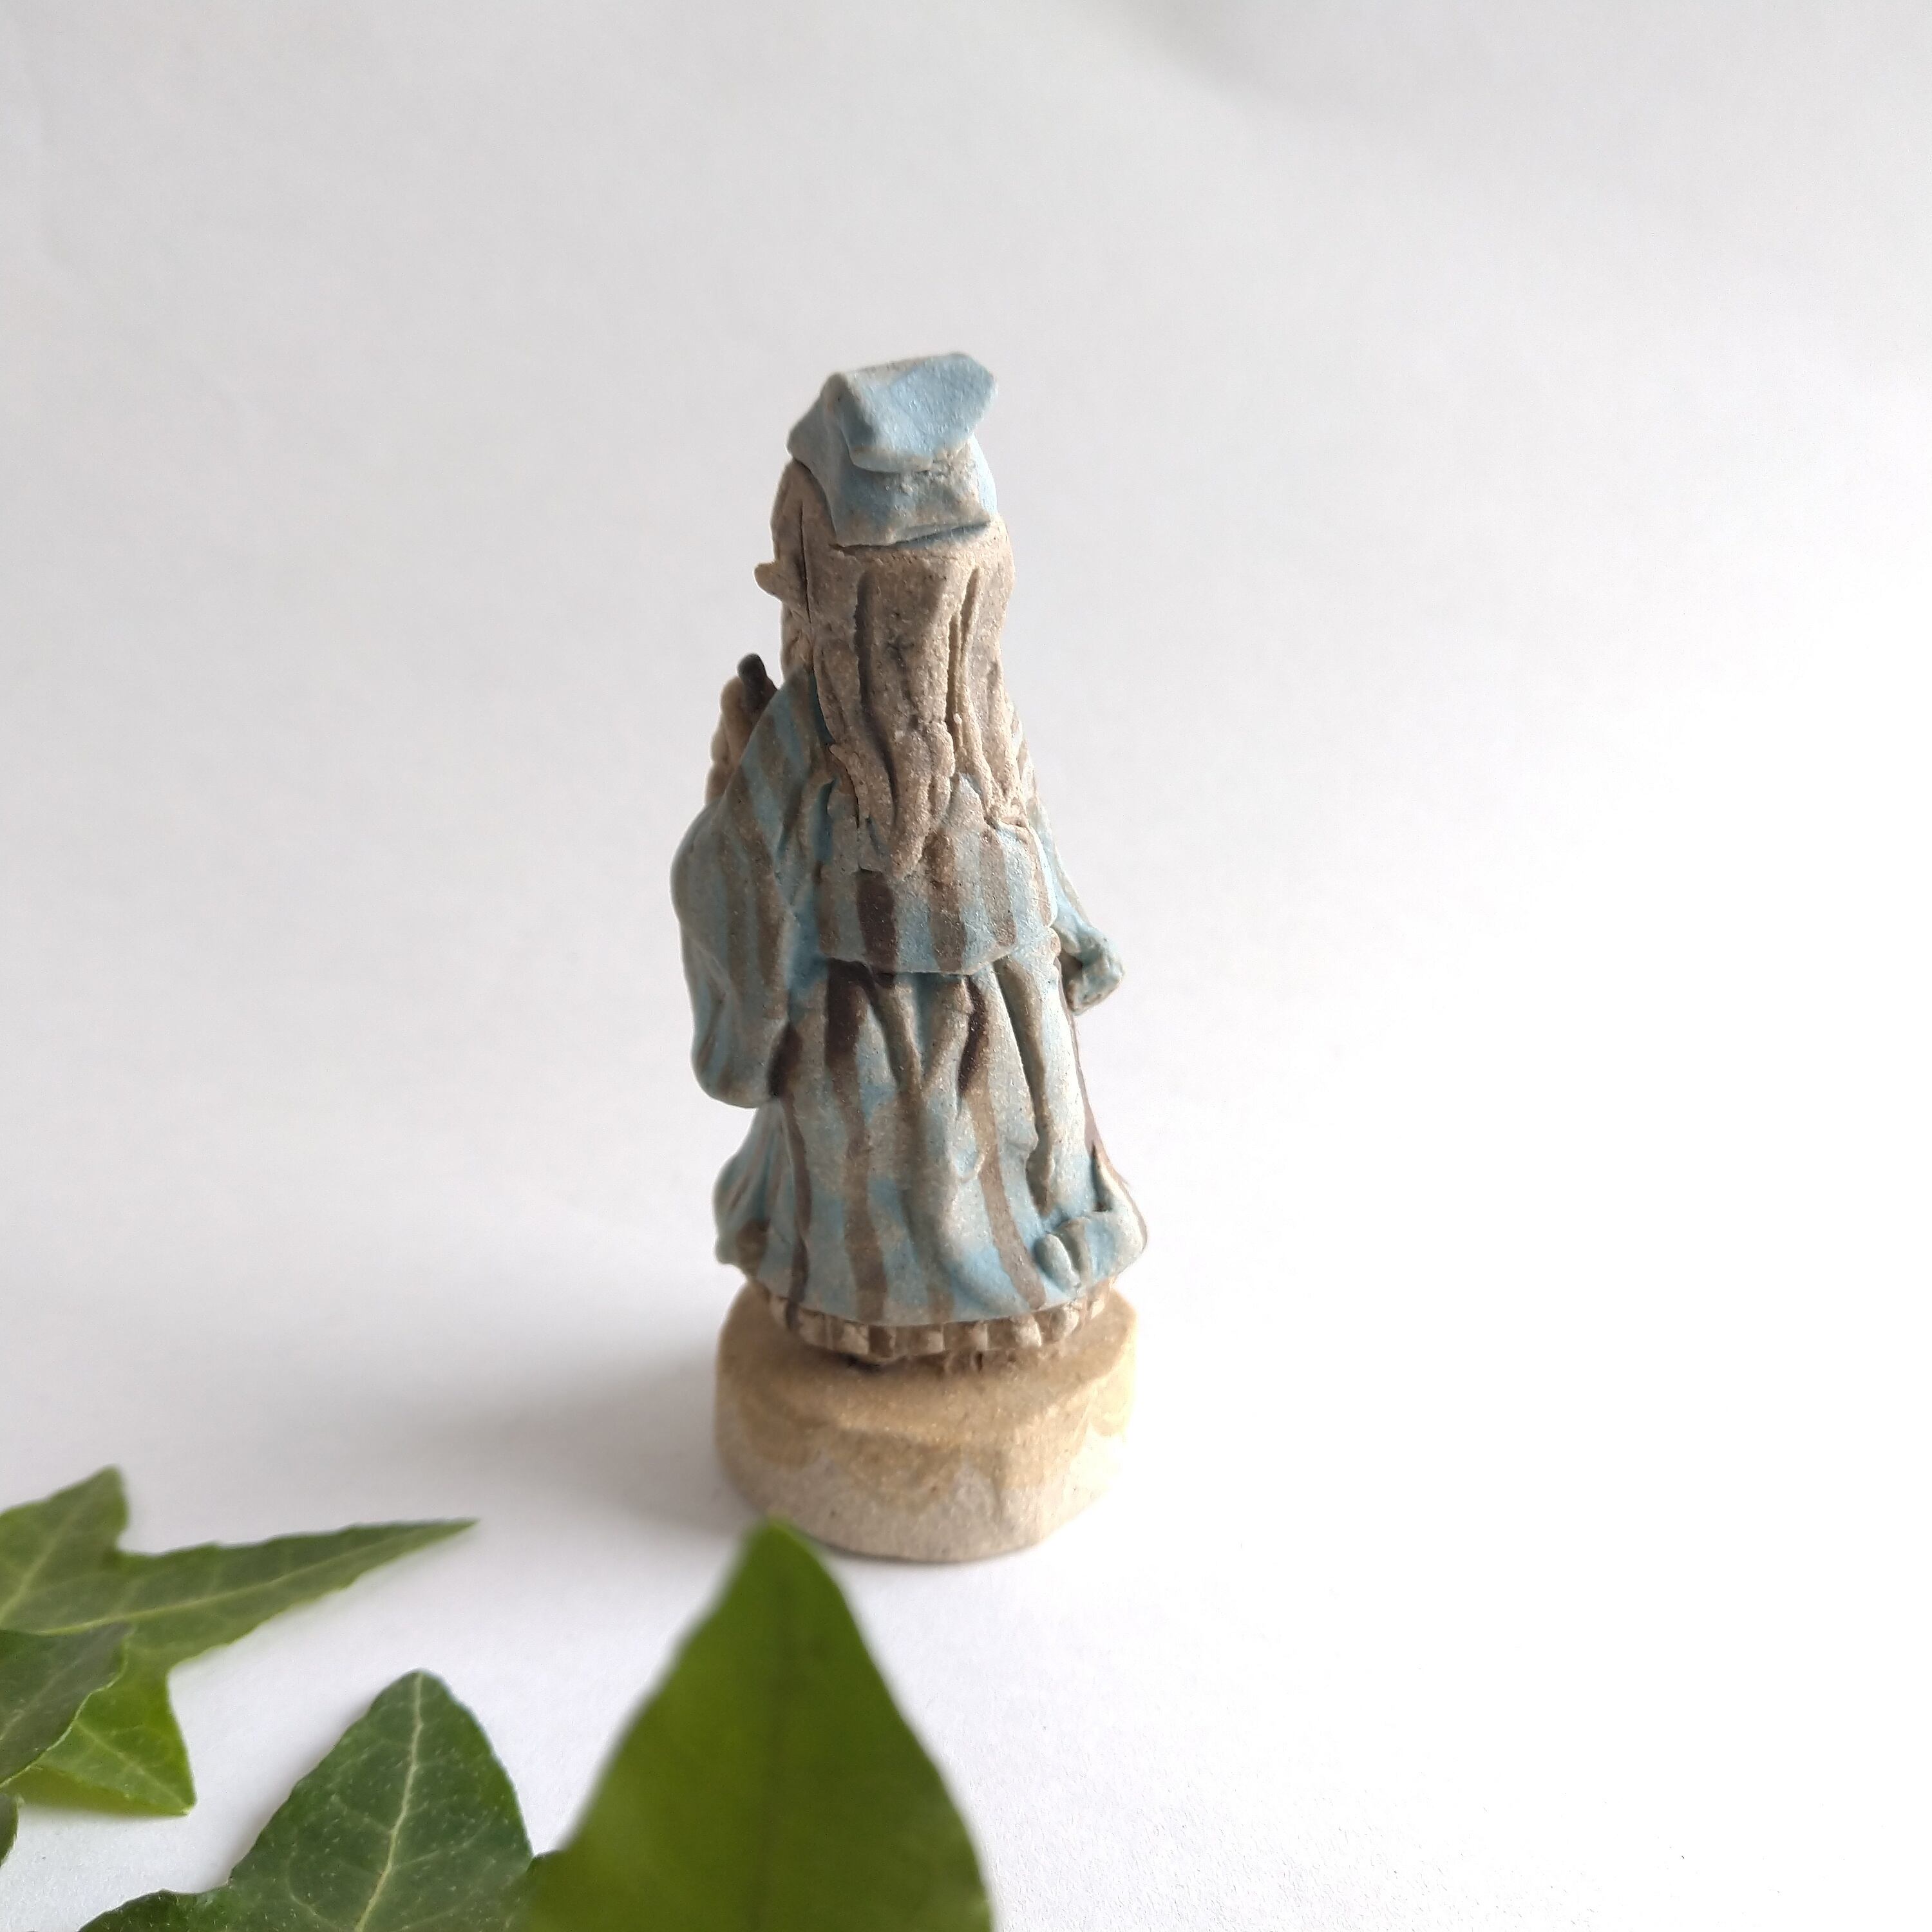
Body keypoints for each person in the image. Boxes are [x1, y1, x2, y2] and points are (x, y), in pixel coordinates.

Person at [672, 355, 1145, 1361]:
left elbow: (741, 882)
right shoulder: (954, 720)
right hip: (951, 1022)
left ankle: (942, 1303)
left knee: (967, 1155)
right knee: (968, 1156)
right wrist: (1070, 933)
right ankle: (956, 1299)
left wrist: (729, 789)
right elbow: (1030, 846)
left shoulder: (830, 734)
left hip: (905, 1029)